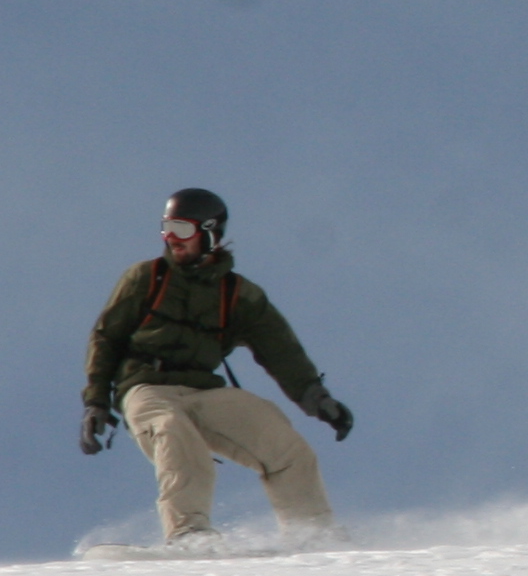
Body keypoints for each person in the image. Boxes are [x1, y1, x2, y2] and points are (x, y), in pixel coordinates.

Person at [81, 187, 356, 546]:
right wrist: (97, 402)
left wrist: (316, 398)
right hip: (146, 387)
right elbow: (106, 337)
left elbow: (281, 351)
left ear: (209, 233)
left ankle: (314, 534)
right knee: (173, 431)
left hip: (204, 391)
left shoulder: (238, 295)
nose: (171, 239)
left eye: (181, 229)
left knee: (283, 443)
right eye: (166, 228)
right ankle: (189, 534)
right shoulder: (146, 278)